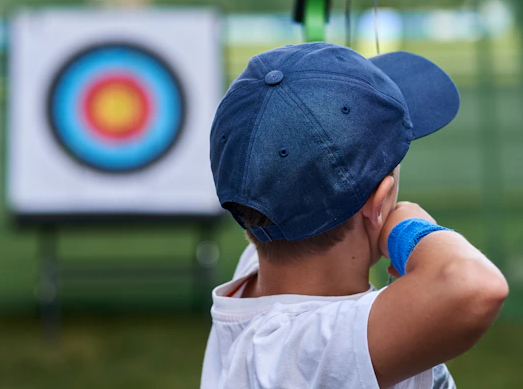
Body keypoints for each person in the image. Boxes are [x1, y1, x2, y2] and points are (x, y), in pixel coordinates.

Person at [201, 42, 508, 388]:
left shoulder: (261, 271)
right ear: (379, 204)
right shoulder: (299, 352)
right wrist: (407, 229)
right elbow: (476, 286)